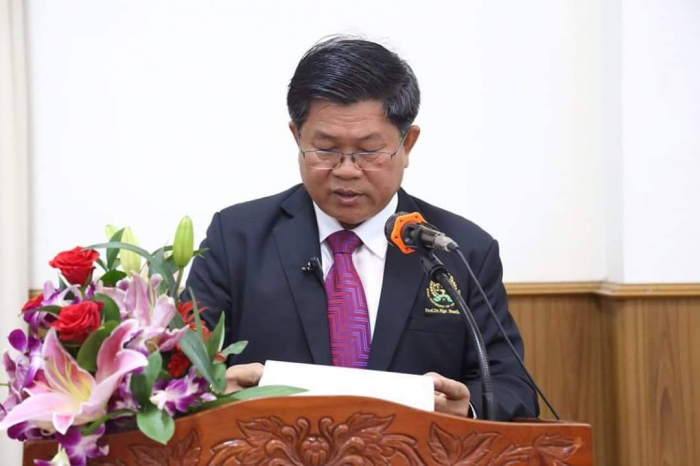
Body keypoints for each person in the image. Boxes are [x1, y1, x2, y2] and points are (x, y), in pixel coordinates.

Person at [185, 37, 539, 421]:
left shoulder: (461, 250)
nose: (347, 170)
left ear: (407, 145)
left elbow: (512, 386)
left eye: (369, 151)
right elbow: (177, 369)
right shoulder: (236, 239)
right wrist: (212, 390)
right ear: (297, 138)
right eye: (326, 149)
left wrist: (466, 407)